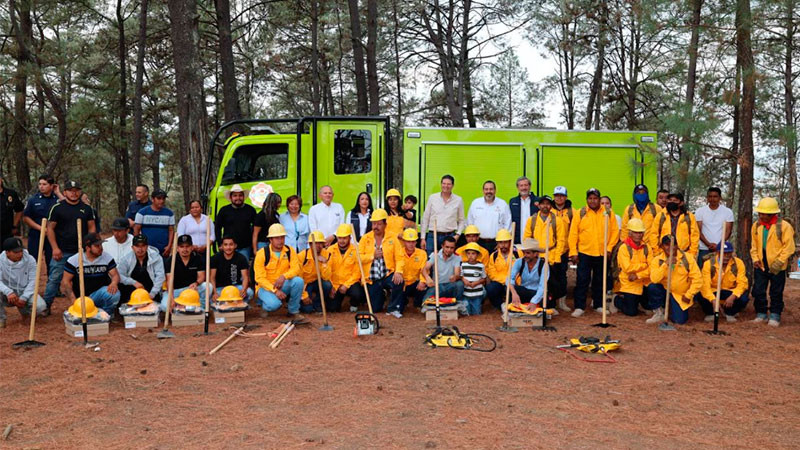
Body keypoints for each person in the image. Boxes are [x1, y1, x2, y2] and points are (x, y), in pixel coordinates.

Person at [43, 180, 96, 312]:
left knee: (84, 278)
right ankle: (45, 307)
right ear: (65, 192)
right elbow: (50, 229)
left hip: (81, 251)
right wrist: (55, 248)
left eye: (76, 190)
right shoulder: (58, 208)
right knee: (55, 278)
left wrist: (90, 246)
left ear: (80, 192)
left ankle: (85, 305)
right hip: (62, 252)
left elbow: (92, 228)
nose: (74, 193)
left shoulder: (87, 209)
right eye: (70, 190)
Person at [568, 188, 620, 317]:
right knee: (582, 280)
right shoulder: (581, 213)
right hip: (585, 252)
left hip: (602, 253)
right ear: (587, 200)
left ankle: (599, 305)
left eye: (595, 198)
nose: (593, 201)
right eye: (590, 198)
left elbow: (614, 232)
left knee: (600, 280)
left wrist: (609, 248)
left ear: (599, 199)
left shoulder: (608, 212)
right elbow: (573, 233)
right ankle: (580, 306)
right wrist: (574, 252)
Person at [750, 197, 795, 327]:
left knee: (776, 291)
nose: (762, 216)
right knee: (758, 290)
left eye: (765, 214)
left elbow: (789, 247)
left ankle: (775, 314)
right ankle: (761, 313)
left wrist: (780, 262)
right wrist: (755, 259)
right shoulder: (756, 225)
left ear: (773, 214)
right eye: (760, 213)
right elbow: (754, 245)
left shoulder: (784, 227)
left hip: (778, 265)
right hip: (761, 264)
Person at [523, 195, 568, 310]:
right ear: (538, 205)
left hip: (551, 255)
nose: (545, 206)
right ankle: (539, 303)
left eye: (548, 204)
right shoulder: (532, 220)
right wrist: (530, 255)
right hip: (536, 256)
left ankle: (553, 305)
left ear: (551, 206)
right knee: (538, 282)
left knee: (552, 283)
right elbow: (526, 238)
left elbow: (561, 240)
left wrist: (557, 257)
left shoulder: (557, 221)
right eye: (543, 203)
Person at [646, 235, 702, 325]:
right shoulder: (657, 260)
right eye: (667, 245)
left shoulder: (687, 258)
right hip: (665, 291)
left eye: (673, 244)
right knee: (652, 287)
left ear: (677, 246)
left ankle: (672, 310)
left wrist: (689, 295)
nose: (670, 247)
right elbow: (654, 279)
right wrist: (665, 265)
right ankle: (659, 312)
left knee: (680, 321)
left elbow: (698, 279)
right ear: (662, 246)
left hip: (680, 294)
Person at [61, 232, 121, 316]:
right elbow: (66, 281)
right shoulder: (74, 260)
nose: (101, 248)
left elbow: (115, 275)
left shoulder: (107, 257)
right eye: (97, 246)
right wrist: (74, 301)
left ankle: (107, 314)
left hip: (99, 294)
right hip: (82, 298)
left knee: (114, 293)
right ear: (88, 248)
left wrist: (114, 283)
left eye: (101, 245)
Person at [253, 224, 305, 320]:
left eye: (282, 237)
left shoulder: (290, 251)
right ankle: (265, 307)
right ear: (270, 239)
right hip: (265, 287)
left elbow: (296, 268)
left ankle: (293, 311)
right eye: (277, 238)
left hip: (283, 284)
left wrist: (284, 276)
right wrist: (275, 290)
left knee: (298, 281)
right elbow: (259, 278)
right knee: (274, 305)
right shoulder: (262, 253)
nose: (280, 241)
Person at [358, 209, 400, 312]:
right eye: (373, 224)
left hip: (387, 274)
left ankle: (393, 308)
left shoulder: (392, 238)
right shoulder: (365, 238)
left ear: (385, 224)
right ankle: (383, 295)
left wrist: (398, 271)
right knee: (375, 309)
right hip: (372, 278)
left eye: (379, 224)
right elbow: (358, 258)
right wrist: (372, 256)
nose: (375, 226)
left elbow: (400, 257)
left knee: (398, 282)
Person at [695, 241, 748, 323]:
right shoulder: (708, 264)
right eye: (724, 253)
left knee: (744, 297)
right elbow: (705, 285)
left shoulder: (738, 263)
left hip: (730, 291)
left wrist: (733, 296)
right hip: (714, 291)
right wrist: (713, 299)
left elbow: (742, 283)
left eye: (729, 253)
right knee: (701, 295)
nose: (726, 256)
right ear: (718, 253)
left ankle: (730, 313)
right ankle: (710, 313)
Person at [0, 237, 45, 327]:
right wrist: (8, 292)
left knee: (41, 306)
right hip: (7, 293)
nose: (20, 254)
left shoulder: (30, 260)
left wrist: (24, 297)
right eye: (16, 252)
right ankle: (1, 318)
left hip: (24, 290)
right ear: (7, 252)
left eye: (21, 251)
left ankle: (25, 313)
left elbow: (33, 280)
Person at [612, 218, 652, 316]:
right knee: (631, 312)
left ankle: (640, 303)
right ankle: (616, 299)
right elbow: (628, 268)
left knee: (649, 305)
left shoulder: (647, 247)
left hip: (644, 281)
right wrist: (644, 265)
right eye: (635, 232)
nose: (639, 235)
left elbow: (652, 268)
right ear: (630, 233)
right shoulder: (623, 248)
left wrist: (638, 275)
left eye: (640, 232)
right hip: (629, 283)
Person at [385, 228, 428, 318]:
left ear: (416, 242)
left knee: (424, 287)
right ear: (404, 241)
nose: (411, 244)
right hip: (402, 284)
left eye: (413, 241)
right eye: (408, 241)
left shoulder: (422, 254)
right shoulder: (398, 252)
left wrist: (422, 281)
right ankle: (400, 304)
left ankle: (418, 305)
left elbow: (424, 269)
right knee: (400, 306)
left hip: (414, 283)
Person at [160, 235, 209, 312]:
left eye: (187, 246)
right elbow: (169, 281)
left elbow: (202, 276)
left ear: (192, 247)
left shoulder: (197, 258)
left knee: (208, 286)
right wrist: (172, 299)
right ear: (177, 248)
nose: (185, 249)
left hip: (191, 290)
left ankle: (200, 308)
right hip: (176, 291)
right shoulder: (171, 261)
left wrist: (196, 283)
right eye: (182, 246)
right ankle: (184, 307)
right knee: (164, 307)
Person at [325, 224, 365, 312]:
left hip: (350, 283)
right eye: (340, 238)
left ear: (350, 238)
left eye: (344, 238)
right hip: (335, 284)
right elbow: (327, 271)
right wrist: (332, 286)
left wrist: (346, 285)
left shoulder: (356, 250)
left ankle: (354, 303)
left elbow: (357, 272)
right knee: (332, 308)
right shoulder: (330, 250)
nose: (342, 241)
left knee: (358, 294)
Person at [420, 175, 465, 254]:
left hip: (449, 235)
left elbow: (462, 220)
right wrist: (423, 238)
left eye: (448, 184)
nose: (446, 186)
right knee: (431, 260)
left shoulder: (458, 200)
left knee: (448, 261)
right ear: (441, 184)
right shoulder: (432, 198)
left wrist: (458, 235)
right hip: (432, 235)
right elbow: (425, 218)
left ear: (452, 185)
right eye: (444, 183)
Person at [117, 234, 165, 304]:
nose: (140, 249)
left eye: (143, 246)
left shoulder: (156, 258)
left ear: (147, 247)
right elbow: (119, 275)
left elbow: (160, 277)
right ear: (132, 247)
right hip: (132, 290)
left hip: (151, 290)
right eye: (137, 246)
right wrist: (133, 282)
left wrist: (152, 293)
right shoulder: (126, 258)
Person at [23, 175, 61, 263]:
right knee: (33, 260)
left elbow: (67, 208)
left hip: (54, 235)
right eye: (40, 184)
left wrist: (58, 193)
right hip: (36, 234)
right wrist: (41, 229)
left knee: (52, 261)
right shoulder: (33, 199)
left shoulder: (57, 199)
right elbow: (26, 218)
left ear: (51, 186)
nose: (41, 186)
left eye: (44, 184)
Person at [551, 186, 578, 312]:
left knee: (562, 276)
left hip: (564, 250)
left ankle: (562, 301)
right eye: (556, 195)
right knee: (551, 276)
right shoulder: (548, 210)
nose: (559, 198)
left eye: (561, 195)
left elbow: (576, 231)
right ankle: (551, 302)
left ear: (566, 197)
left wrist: (573, 250)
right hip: (551, 250)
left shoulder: (573, 212)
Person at [467, 180, 512, 253]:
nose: (489, 191)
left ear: (495, 190)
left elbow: (508, 225)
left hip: (496, 244)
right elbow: (470, 223)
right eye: (486, 189)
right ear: (483, 191)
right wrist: (472, 241)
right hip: (478, 243)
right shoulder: (475, 203)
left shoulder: (502, 204)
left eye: (491, 189)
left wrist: (502, 243)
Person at [650, 192, 699, 258]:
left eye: (675, 200)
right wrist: (657, 252)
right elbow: (653, 234)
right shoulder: (661, 216)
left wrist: (692, 254)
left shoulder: (689, 217)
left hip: (684, 255)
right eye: (670, 200)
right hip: (664, 254)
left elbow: (694, 236)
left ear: (681, 203)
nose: (672, 202)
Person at [215, 184, 257, 259]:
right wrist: (220, 243)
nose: (238, 198)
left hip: (245, 247)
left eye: (240, 195)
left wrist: (254, 246)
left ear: (243, 197)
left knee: (243, 269)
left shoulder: (250, 210)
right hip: (228, 247)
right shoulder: (224, 210)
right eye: (235, 195)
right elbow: (217, 228)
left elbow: (256, 228)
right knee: (227, 269)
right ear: (231, 197)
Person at [695, 187, 734, 263]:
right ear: (707, 198)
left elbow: (728, 231)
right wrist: (708, 244)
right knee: (703, 272)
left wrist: (718, 245)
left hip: (721, 249)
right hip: (704, 248)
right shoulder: (700, 211)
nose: (712, 199)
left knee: (719, 273)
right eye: (710, 196)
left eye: (715, 196)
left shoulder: (727, 212)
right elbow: (698, 231)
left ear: (720, 198)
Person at [485, 229, 521, 309]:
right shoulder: (494, 256)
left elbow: (521, 270)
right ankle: (500, 305)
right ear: (497, 243)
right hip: (500, 283)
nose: (503, 245)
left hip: (515, 283)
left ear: (510, 242)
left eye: (505, 242)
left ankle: (511, 305)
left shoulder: (518, 253)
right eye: (500, 242)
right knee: (491, 288)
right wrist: (505, 280)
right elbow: (492, 273)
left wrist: (511, 281)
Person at [298, 231, 332, 313]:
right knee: (307, 310)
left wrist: (324, 263)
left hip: (317, 282)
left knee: (327, 285)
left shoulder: (327, 254)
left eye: (320, 243)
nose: (318, 246)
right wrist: (304, 296)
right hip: (304, 285)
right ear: (310, 244)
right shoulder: (302, 256)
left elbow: (327, 277)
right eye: (315, 243)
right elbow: (298, 278)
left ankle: (318, 304)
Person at [421, 236, 464, 303]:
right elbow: (424, 269)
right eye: (447, 247)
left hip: (450, 286)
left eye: (452, 248)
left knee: (459, 284)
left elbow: (457, 274)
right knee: (425, 301)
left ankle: (458, 303)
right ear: (442, 246)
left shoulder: (457, 258)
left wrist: (455, 277)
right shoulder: (434, 255)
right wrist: (427, 277)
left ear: (454, 248)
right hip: (436, 286)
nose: (449, 250)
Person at [133, 189, 175, 257]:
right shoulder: (142, 213)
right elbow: (136, 230)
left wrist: (169, 246)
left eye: (163, 199)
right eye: (159, 198)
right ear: (152, 199)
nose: (161, 201)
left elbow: (171, 230)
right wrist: (138, 246)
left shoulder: (169, 214)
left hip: (163, 250)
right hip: (147, 250)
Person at [210, 235, 252, 302]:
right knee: (212, 297)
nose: (228, 247)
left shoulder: (241, 258)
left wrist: (244, 290)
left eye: (231, 244)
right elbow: (212, 278)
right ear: (222, 246)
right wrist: (214, 293)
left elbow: (245, 277)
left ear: (235, 245)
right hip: (220, 289)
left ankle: (239, 307)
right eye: (225, 245)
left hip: (235, 287)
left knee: (249, 292)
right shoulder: (215, 258)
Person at [507, 239, 547, 308]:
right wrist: (514, 293)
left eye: (528, 253)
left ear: (535, 254)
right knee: (510, 289)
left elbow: (542, 287)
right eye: (524, 252)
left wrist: (534, 302)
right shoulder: (519, 261)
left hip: (537, 293)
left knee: (545, 300)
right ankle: (512, 311)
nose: (525, 255)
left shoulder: (543, 265)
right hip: (524, 291)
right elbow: (510, 278)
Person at [509, 176, 539, 244]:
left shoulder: (538, 201)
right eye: (521, 185)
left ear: (530, 186)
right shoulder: (512, 202)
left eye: (526, 185)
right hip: (517, 240)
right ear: (518, 187)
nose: (523, 188)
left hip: (534, 239)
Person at [460, 242, 487, 315]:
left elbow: (484, 278)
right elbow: (461, 275)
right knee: (466, 313)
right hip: (466, 293)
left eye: (473, 253)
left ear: (477, 255)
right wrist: (464, 280)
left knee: (477, 313)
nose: (470, 256)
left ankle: (480, 304)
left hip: (477, 294)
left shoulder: (481, 266)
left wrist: (476, 283)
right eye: (468, 253)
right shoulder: (463, 265)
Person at [0, 174, 24, 243]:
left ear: (1, 179)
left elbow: (19, 210)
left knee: (7, 252)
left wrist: (14, 225)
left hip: (7, 232)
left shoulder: (11, 194)